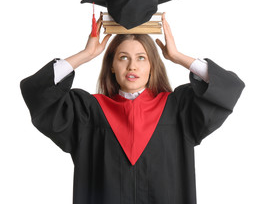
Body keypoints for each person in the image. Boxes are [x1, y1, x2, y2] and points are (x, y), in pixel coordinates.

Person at [20, 13, 245, 204]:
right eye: (123, 58)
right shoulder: (88, 112)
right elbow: (37, 92)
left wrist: (177, 56)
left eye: (141, 58)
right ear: (111, 67)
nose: (132, 66)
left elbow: (229, 88)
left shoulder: (178, 109)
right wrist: (86, 55)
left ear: (152, 66)